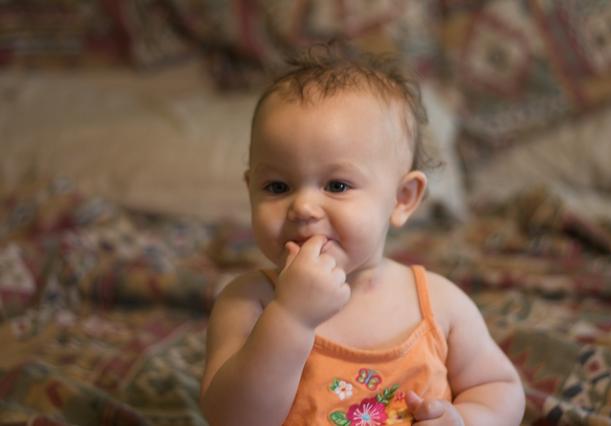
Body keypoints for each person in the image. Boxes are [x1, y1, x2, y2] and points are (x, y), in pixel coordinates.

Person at [200, 44, 525, 426]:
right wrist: (289, 318)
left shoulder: (439, 304)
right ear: (249, 188)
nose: (302, 207)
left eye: (336, 186)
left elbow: (499, 386)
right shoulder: (249, 303)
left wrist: (466, 421)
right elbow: (232, 419)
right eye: (276, 187)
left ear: (402, 199)